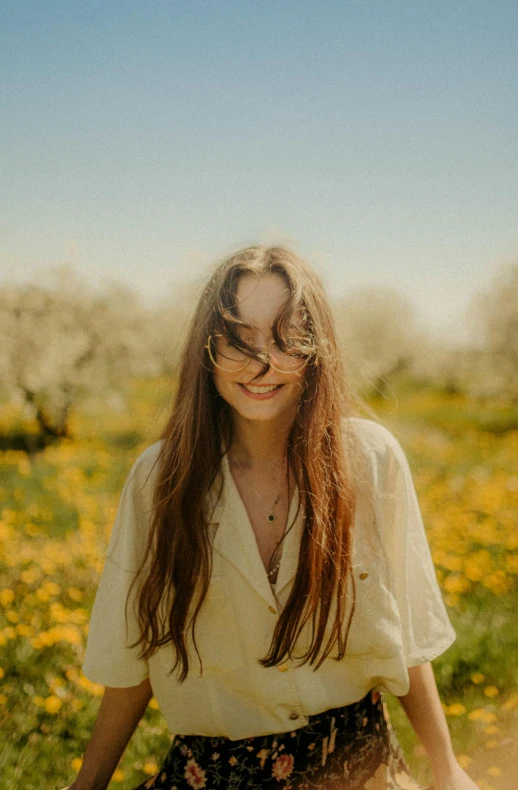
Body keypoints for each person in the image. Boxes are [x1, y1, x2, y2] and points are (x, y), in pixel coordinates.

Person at [68, 246, 481, 790]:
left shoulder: (373, 461)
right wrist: (86, 784)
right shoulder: (159, 480)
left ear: (317, 350)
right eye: (239, 339)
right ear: (208, 349)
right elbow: (133, 655)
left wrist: (448, 769)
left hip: (361, 770)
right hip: (216, 777)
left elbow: (401, 637)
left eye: (286, 338)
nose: (260, 363)